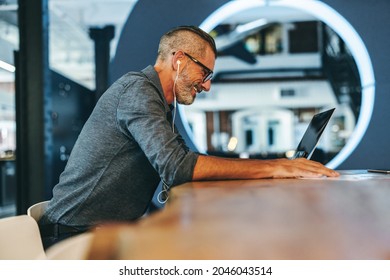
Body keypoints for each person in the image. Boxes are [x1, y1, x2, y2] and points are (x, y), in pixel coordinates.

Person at [39, 25, 339, 248]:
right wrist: (276, 166)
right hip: (75, 237)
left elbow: (183, 161)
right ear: (179, 59)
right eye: (205, 73)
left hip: (101, 230)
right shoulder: (138, 92)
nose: (206, 86)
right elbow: (177, 167)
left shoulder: (160, 103)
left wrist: (267, 171)